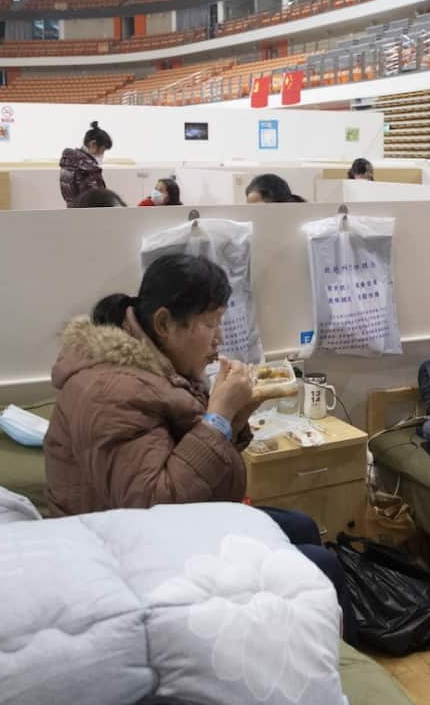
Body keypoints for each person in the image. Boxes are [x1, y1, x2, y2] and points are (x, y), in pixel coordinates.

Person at [44, 253, 356, 643]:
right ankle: (340, 667)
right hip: (122, 554)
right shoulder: (111, 391)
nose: (219, 338)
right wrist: (220, 414)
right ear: (163, 323)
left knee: (302, 525)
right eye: (210, 323)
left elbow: (181, 449)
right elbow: (151, 506)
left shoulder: (153, 364)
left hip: (174, 522)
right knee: (322, 565)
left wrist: (236, 417)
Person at [60, 121, 113, 207]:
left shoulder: (68, 162)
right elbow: (97, 200)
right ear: (93, 144)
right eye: (103, 150)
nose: (103, 154)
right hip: (89, 216)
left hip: (72, 212)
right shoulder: (88, 169)